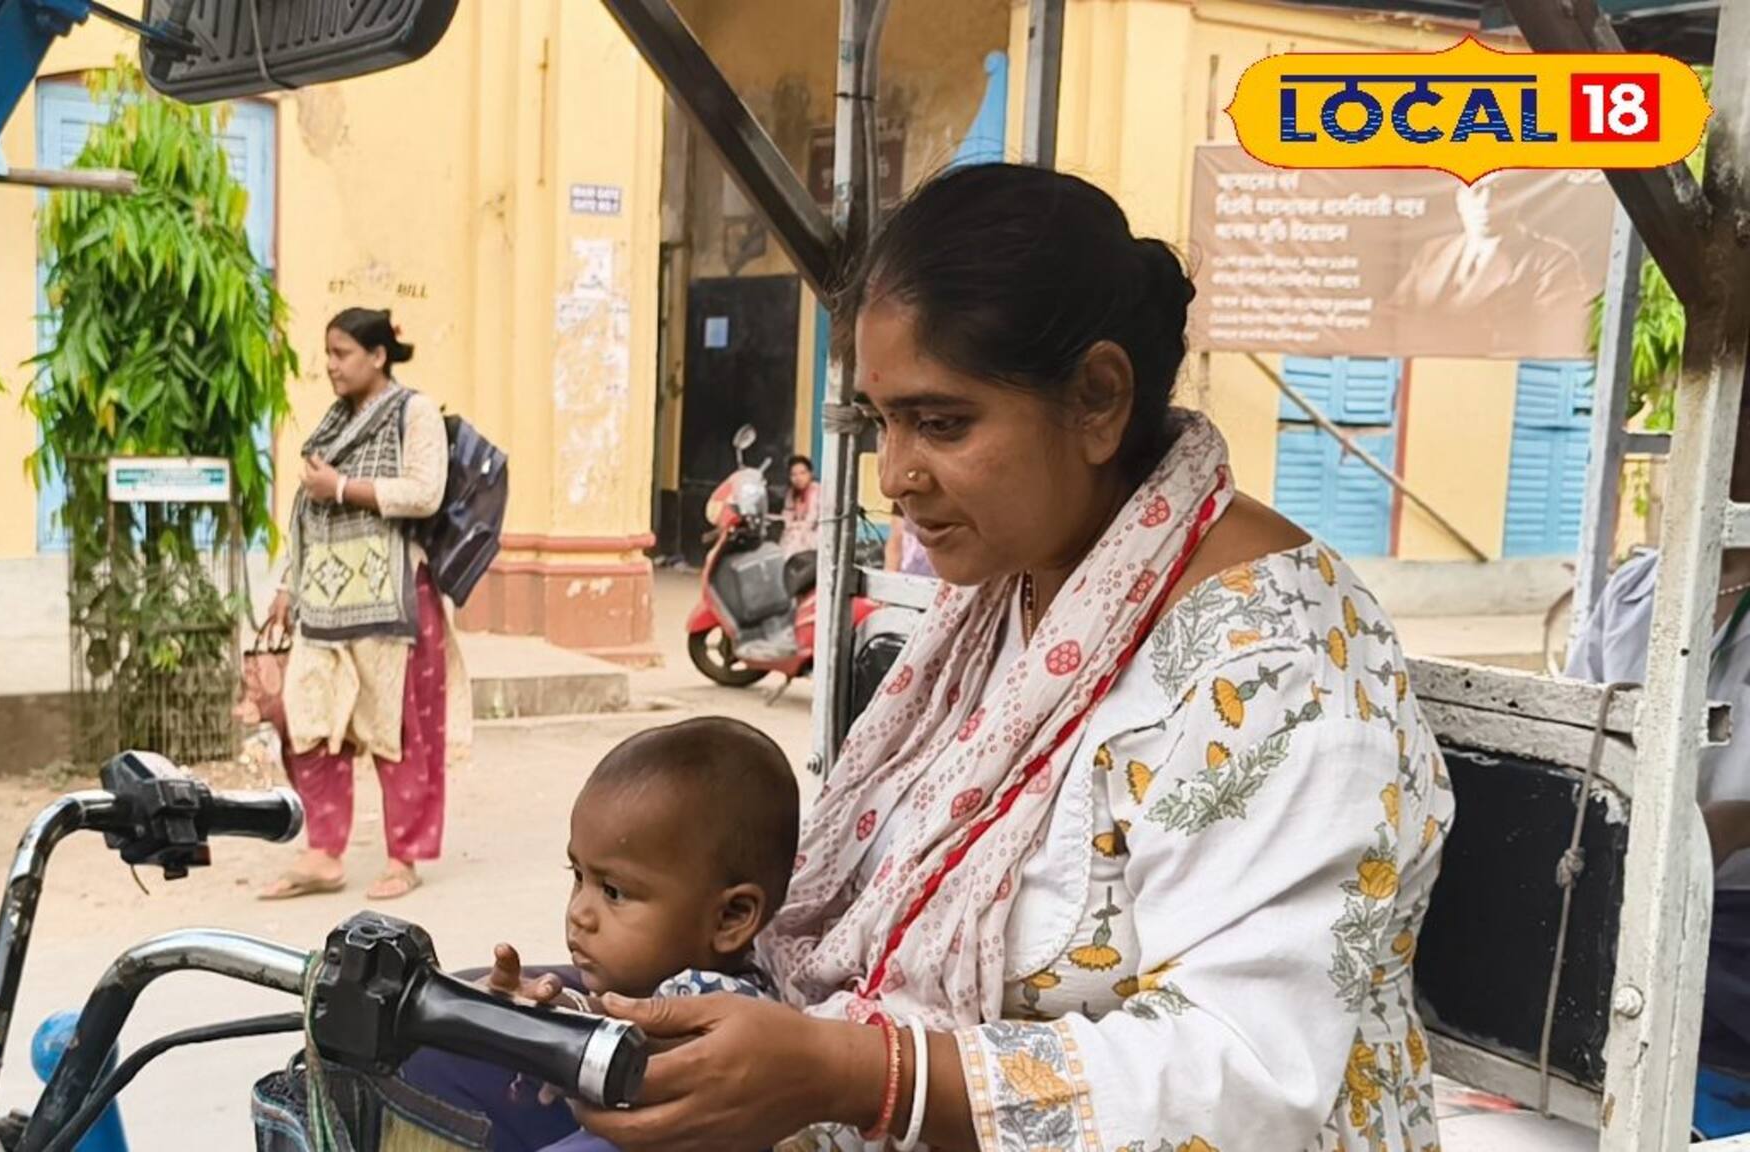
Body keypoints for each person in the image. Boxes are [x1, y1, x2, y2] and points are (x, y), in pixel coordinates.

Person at [402, 163, 1456, 1152]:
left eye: (939, 423)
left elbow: (1253, 1074)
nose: (895, 474)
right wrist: (626, 1014)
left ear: (1095, 398)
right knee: (432, 1068)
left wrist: (867, 1077)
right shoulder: (1013, 595)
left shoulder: (1281, 669)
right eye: (881, 422)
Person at [391, 716, 800, 1152]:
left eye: (614, 892)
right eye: (578, 876)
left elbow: (640, 1041)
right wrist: (545, 1005)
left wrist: (554, 1016)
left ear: (730, 918)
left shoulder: (717, 1005)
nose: (580, 914)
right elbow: (604, 1016)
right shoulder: (653, 985)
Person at [1564, 411, 1750, 1136]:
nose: (1730, 439)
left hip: (1731, 935)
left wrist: (1729, 827)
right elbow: (1581, 739)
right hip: (1624, 902)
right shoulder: (1639, 590)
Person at [258, 307, 466, 902]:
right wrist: (286, 585)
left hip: (391, 597)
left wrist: (344, 488)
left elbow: (426, 493)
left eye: (342, 353)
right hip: (323, 603)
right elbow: (307, 512)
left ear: (377, 356)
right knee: (310, 722)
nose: (330, 365)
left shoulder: (414, 413)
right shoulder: (333, 421)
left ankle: (406, 855)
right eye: (327, 353)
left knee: (399, 732)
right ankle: (323, 852)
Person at [1391, 170, 1591, 357]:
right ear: (1459, 200)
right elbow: (1393, 316)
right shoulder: (1434, 251)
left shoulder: (1550, 260)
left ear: (1517, 200)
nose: (1485, 203)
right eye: (1476, 191)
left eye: (1499, 192)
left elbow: (1557, 338)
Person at [782, 454, 822, 557]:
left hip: (816, 534)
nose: (798, 478)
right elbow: (787, 514)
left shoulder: (817, 491)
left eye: (802, 473)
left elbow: (812, 520)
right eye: (793, 474)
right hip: (796, 532)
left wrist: (795, 526)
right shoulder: (791, 493)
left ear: (810, 473)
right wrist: (789, 525)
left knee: (795, 537)